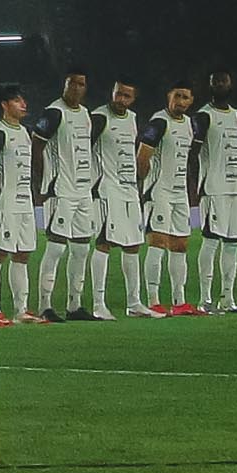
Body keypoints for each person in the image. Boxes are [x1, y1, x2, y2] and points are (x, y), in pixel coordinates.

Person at [38, 71, 105, 319]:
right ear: (64, 85)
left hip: (83, 192)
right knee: (56, 248)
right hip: (61, 190)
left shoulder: (86, 114)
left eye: (81, 84)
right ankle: (45, 306)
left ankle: (74, 305)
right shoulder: (54, 112)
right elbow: (38, 146)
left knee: (81, 249)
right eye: (72, 83)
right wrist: (42, 183)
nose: (77, 88)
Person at [0, 83, 41, 322]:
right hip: (3, 203)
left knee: (23, 254)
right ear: (5, 105)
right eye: (17, 101)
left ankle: (21, 310)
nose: (23, 104)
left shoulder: (24, 132)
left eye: (23, 100)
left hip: (25, 204)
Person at [143, 82, 199, 318]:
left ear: (191, 100)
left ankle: (180, 301)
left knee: (181, 245)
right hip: (159, 191)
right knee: (158, 242)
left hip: (179, 192)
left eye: (186, 97)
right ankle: (153, 301)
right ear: (169, 97)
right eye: (177, 96)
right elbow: (142, 155)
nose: (181, 101)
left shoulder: (189, 124)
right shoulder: (159, 122)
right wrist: (142, 187)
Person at [100, 78, 155, 317]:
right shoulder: (98, 118)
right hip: (107, 189)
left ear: (133, 99)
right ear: (112, 93)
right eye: (118, 94)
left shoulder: (132, 119)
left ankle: (134, 303)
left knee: (133, 244)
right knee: (104, 244)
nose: (121, 100)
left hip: (130, 189)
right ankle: (98, 304)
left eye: (127, 96)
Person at [200, 70, 237, 311]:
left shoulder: (235, 115)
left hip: (235, 188)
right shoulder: (204, 116)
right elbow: (192, 153)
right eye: (216, 82)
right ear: (210, 86)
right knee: (211, 242)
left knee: (233, 243)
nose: (220, 85)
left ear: (231, 85)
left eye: (224, 81)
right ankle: (205, 300)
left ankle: (227, 299)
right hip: (214, 188)